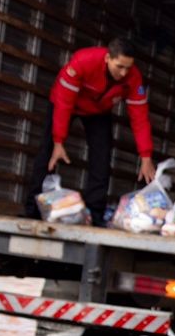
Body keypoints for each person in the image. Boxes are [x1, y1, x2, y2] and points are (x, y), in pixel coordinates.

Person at [23, 37, 155, 225]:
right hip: (66, 102)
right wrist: (59, 141)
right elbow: (63, 102)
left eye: (128, 67)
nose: (124, 73)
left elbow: (140, 118)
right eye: (119, 66)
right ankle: (33, 209)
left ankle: (95, 214)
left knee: (102, 155)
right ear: (107, 58)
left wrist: (146, 155)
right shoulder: (83, 61)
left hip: (98, 110)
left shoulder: (133, 77)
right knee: (47, 151)